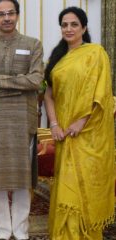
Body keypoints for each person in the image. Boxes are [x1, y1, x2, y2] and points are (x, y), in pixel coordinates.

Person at [0, 0, 44, 239]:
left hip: (23, 121)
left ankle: (21, 231)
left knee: (23, 179)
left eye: (10, 13)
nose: (6, 18)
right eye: (1, 14)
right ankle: (2, 232)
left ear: (17, 15)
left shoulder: (32, 45)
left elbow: (35, 81)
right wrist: (17, 83)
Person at [44, 6, 114, 240]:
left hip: (88, 133)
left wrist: (82, 121)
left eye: (74, 24)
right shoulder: (58, 57)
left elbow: (101, 93)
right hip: (64, 132)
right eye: (64, 25)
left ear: (84, 27)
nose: (69, 28)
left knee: (84, 182)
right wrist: (54, 124)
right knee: (65, 182)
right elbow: (48, 94)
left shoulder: (95, 53)